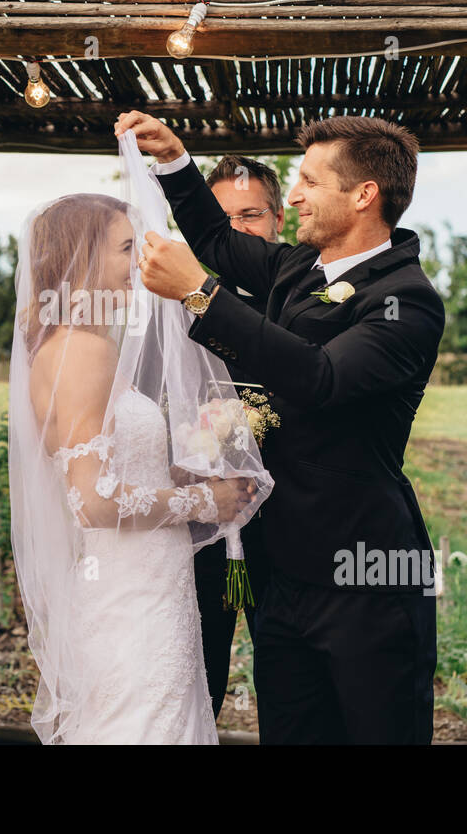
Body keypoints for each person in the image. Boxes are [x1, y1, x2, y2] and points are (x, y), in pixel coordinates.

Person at [117, 109, 444, 744]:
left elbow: (321, 377)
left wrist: (202, 298)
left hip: (367, 573)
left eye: (309, 181)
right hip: (285, 571)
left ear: (363, 195)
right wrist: (175, 162)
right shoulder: (298, 267)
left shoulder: (405, 301)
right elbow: (214, 242)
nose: (293, 195)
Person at [8, 133, 271, 744]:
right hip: (133, 595)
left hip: (143, 583)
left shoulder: (65, 344)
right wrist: (207, 503)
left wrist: (182, 473)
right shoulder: (86, 350)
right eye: (127, 248)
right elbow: (91, 501)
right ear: (82, 258)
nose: (142, 261)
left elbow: (109, 468)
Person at [192, 155, 283, 719]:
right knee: (200, 671)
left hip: (290, 524)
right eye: (222, 220)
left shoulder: (303, 305)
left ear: (278, 220)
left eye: (250, 215)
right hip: (199, 524)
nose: (237, 231)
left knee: (288, 679)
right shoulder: (173, 308)